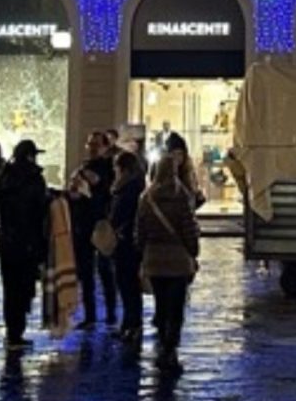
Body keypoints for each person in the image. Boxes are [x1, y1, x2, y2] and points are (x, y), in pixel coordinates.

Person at [138, 150, 201, 373]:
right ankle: (170, 349)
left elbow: (141, 231)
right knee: (176, 309)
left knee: (161, 306)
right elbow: (189, 228)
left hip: (155, 260)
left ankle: (162, 343)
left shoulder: (146, 198)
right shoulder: (181, 196)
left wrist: (142, 256)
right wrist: (193, 252)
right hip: (178, 261)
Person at [0, 139, 52, 353]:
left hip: (7, 241)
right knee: (24, 287)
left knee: (10, 288)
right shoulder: (34, 178)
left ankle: (13, 330)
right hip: (27, 242)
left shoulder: (4, 175)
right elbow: (39, 209)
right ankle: (18, 330)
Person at [70, 129, 119, 329]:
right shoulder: (84, 167)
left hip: (101, 223)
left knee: (106, 270)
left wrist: (97, 185)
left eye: (96, 145)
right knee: (86, 271)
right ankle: (90, 316)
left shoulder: (110, 168)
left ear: (105, 147)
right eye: (90, 144)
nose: (92, 148)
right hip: (83, 223)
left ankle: (110, 314)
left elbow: (111, 193)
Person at [108, 148, 145, 340]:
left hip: (126, 243)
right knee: (129, 286)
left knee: (127, 285)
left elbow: (119, 215)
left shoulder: (127, 190)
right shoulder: (137, 187)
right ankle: (130, 324)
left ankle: (132, 324)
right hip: (130, 243)